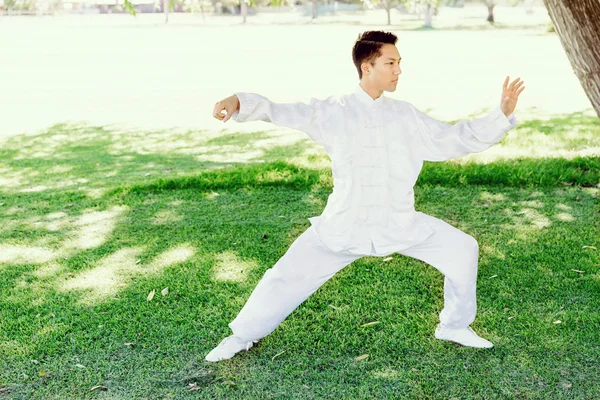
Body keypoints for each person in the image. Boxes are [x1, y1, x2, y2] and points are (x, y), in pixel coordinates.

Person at [205, 30, 525, 362]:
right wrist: (238, 101)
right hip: (344, 223)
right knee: (285, 277)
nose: (398, 70)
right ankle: (241, 336)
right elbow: (279, 110)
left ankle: (454, 326)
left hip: (398, 222)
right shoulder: (332, 111)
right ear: (367, 66)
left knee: (462, 249)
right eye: (390, 63)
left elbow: (456, 138)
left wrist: (500, 115)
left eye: (399, 63)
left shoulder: (406, 115)